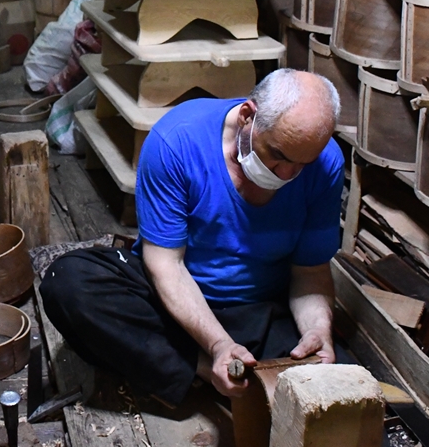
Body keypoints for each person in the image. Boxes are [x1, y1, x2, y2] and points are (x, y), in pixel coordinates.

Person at [41, 68, 344, 405]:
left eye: (303, 163)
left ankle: (198, 368)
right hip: (176, 301)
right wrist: (217, 346)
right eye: (278, 155)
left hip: (258, 311)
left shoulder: (326, 164)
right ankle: (204, 367)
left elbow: (310, 271)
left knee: (336, 392)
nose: (288, 174)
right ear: (247, 116)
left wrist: (318, 330)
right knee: (68, 281)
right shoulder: (178, 140)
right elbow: (165, 265)